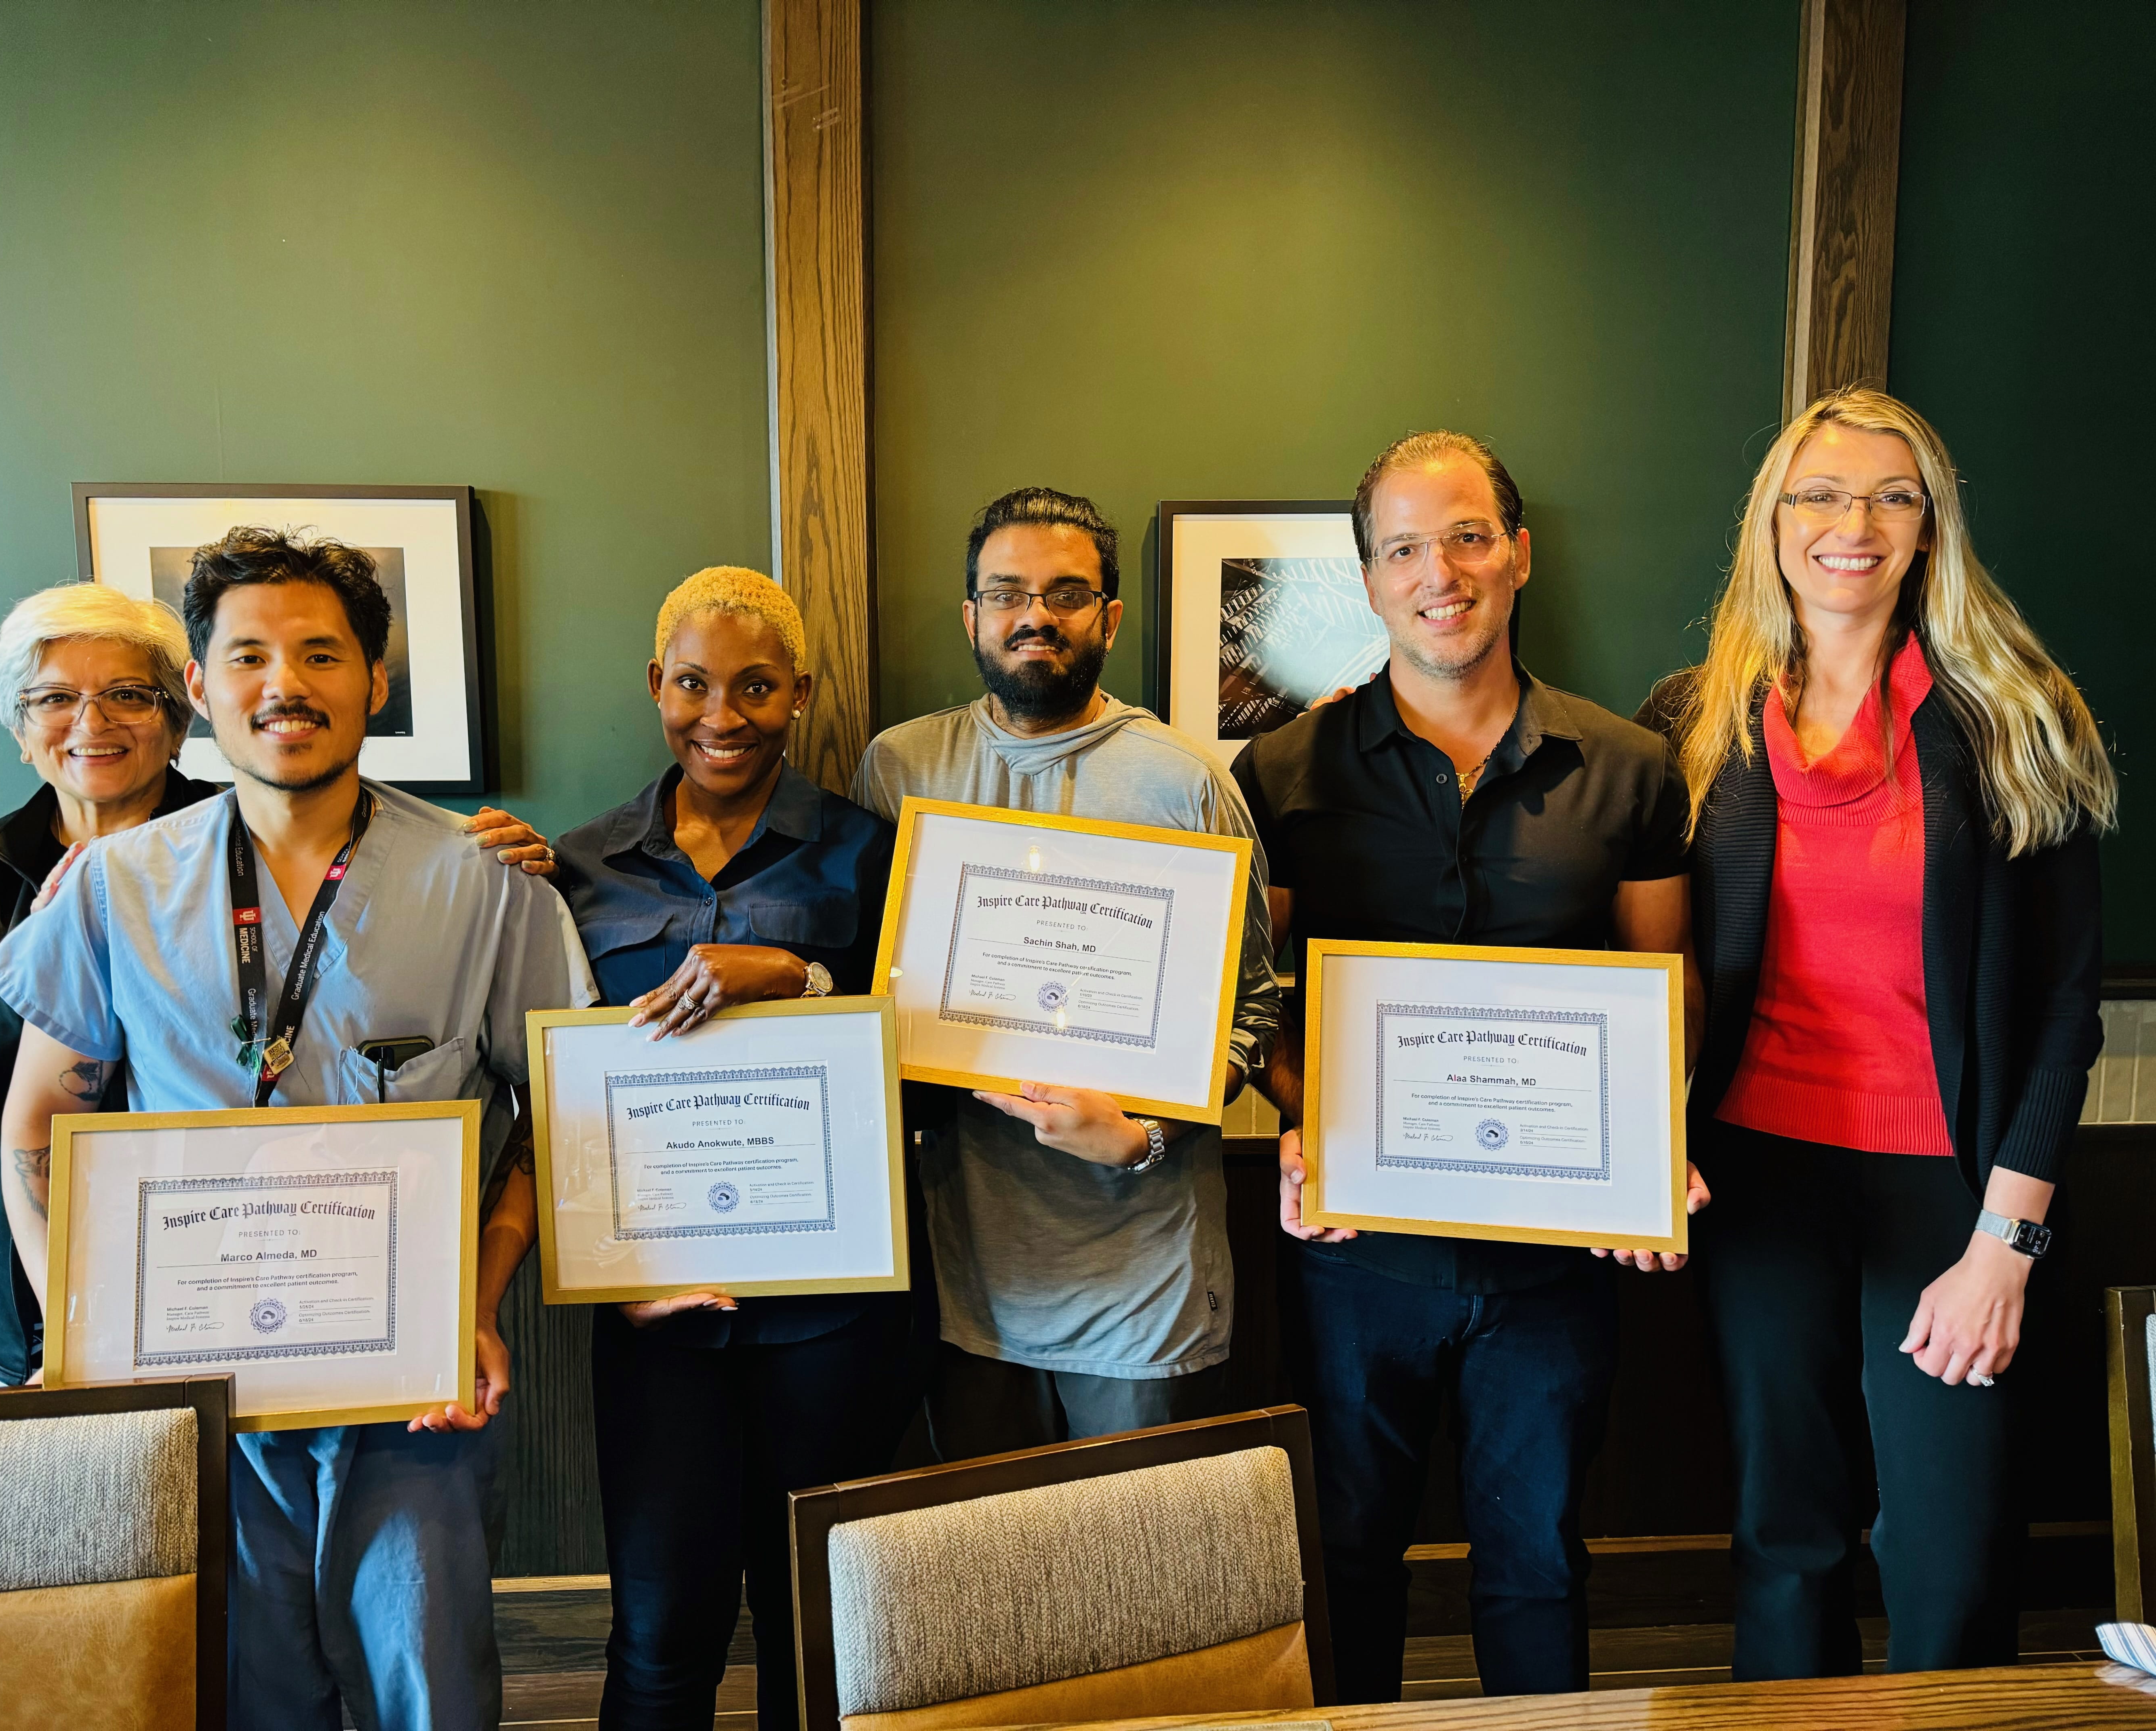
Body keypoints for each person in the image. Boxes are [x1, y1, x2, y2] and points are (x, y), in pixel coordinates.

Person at [0, 528, 595, 1731]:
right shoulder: (115, 888)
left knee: (431, 1692)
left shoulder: (486, 883)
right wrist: (76, 1322)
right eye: (248, 655)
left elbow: (553, 1116)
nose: (285, 684)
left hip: (412, 1394)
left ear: (376, 680)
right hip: (196, 1388)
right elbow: (35, 1129)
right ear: (201, 687)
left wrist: (475, 1294)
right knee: (234, 1687)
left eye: (322, 653)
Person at [1640, 388, 2114, 1678]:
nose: (1854, 524)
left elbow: (2070, 1006)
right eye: (1821, 495)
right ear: (1773, 521)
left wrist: (2006, 1244)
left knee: (1951, 1553)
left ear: (1929, 528)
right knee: (1783, 1532)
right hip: (1758, 1175)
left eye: (1891, 497)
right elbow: (1633, 965)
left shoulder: (2017, 714)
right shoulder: (1693, 717)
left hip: (1950, 1190)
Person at [1234, 431, 1705, 1700]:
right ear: (1371, 579)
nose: (1439, 571)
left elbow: (1668, 989)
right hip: (1357, 1254)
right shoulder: (1281, 773)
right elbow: (1253, 995)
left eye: (1467, 537)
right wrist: (1310, 1116)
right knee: (1347, 1554)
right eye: (1403, 548)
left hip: (1559, 1260)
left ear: (1519, 555)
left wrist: (1651, 1141)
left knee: (1540, 1563)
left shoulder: (1629, 769)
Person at [547, 566, 920, 1731]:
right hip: (658, 1315)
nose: (723, 713)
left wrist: (802, 976)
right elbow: (545, 1085)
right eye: (695, 683)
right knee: (662, 1632)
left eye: (757, 685)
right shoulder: (578, 861)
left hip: (835, 1310)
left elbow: (930, 1055)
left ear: (799, 692)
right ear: (656, 683)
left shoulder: (872, 851)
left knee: (824, 1627)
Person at [852, 486, 1279, 1454]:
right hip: (965, 1285)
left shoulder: (1184, 784)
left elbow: (1254, 1009)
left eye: (1066, 593)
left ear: (1110, 617)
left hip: (1143, 1285)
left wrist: (1144, 1134)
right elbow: (866, 980)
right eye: (1007, 594)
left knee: (1137, 1586)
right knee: (990, 1582)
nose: (1035, 615)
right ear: (972, 617)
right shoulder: (900, 769)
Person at [0, 584, 216, 1387]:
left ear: (176, 720)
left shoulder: (249, 852)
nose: (92, 723)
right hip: (19, 1316)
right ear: (23, 731)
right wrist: (37, 958)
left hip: (221, 1271)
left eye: (128, 694)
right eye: (55, 698)